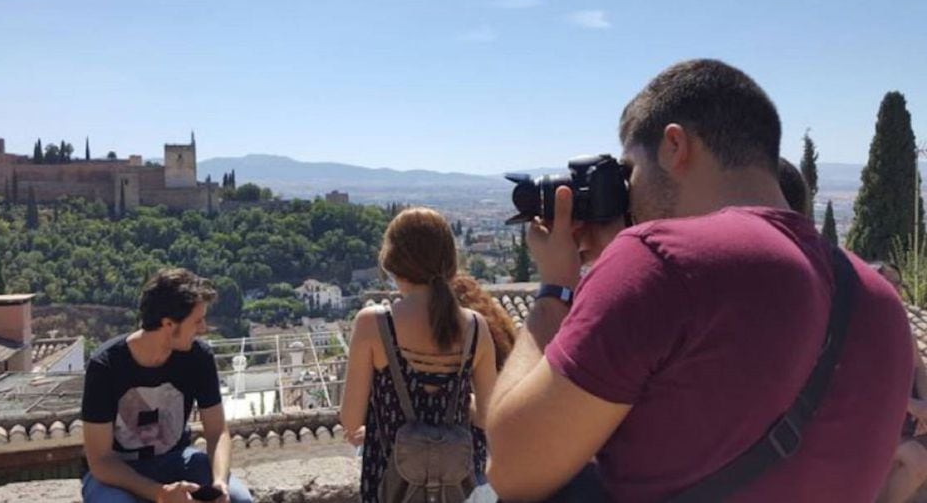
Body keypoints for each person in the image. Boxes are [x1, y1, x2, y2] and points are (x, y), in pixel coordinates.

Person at [486, 59, 913, 502]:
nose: (629, 194)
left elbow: (512, 469)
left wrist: (557, 287)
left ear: (675, 145)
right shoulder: (881, 304)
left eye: (631, 172)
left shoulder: (662, 262)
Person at [339, 207, 498, 502]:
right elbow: (489, 417)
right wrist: (457, 401)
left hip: (391, 484)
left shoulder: (373, 324)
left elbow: (350, 420)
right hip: (460, 487)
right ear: (450, 262)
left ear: (392, 261)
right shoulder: (476, 328)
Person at [81, 268, 253, 503]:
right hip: (118, 470)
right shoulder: (106, 366)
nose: (203, 329)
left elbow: (217, 432)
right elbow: (100, 460)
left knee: (239, 499)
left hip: (177, 459)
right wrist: (159, 494)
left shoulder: (198, 357)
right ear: (169, 324)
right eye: (197, 321)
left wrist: (219, 481)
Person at [878, 264, 927, 503]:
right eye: (888, 282)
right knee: (917, 460)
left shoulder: (902, 326)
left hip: (904, 425)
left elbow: (919, 368)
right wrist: (910, 406)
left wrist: (924, 407)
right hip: (872, 430)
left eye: (898, 283)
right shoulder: (858, 330)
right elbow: (867, 392)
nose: (895, 288)